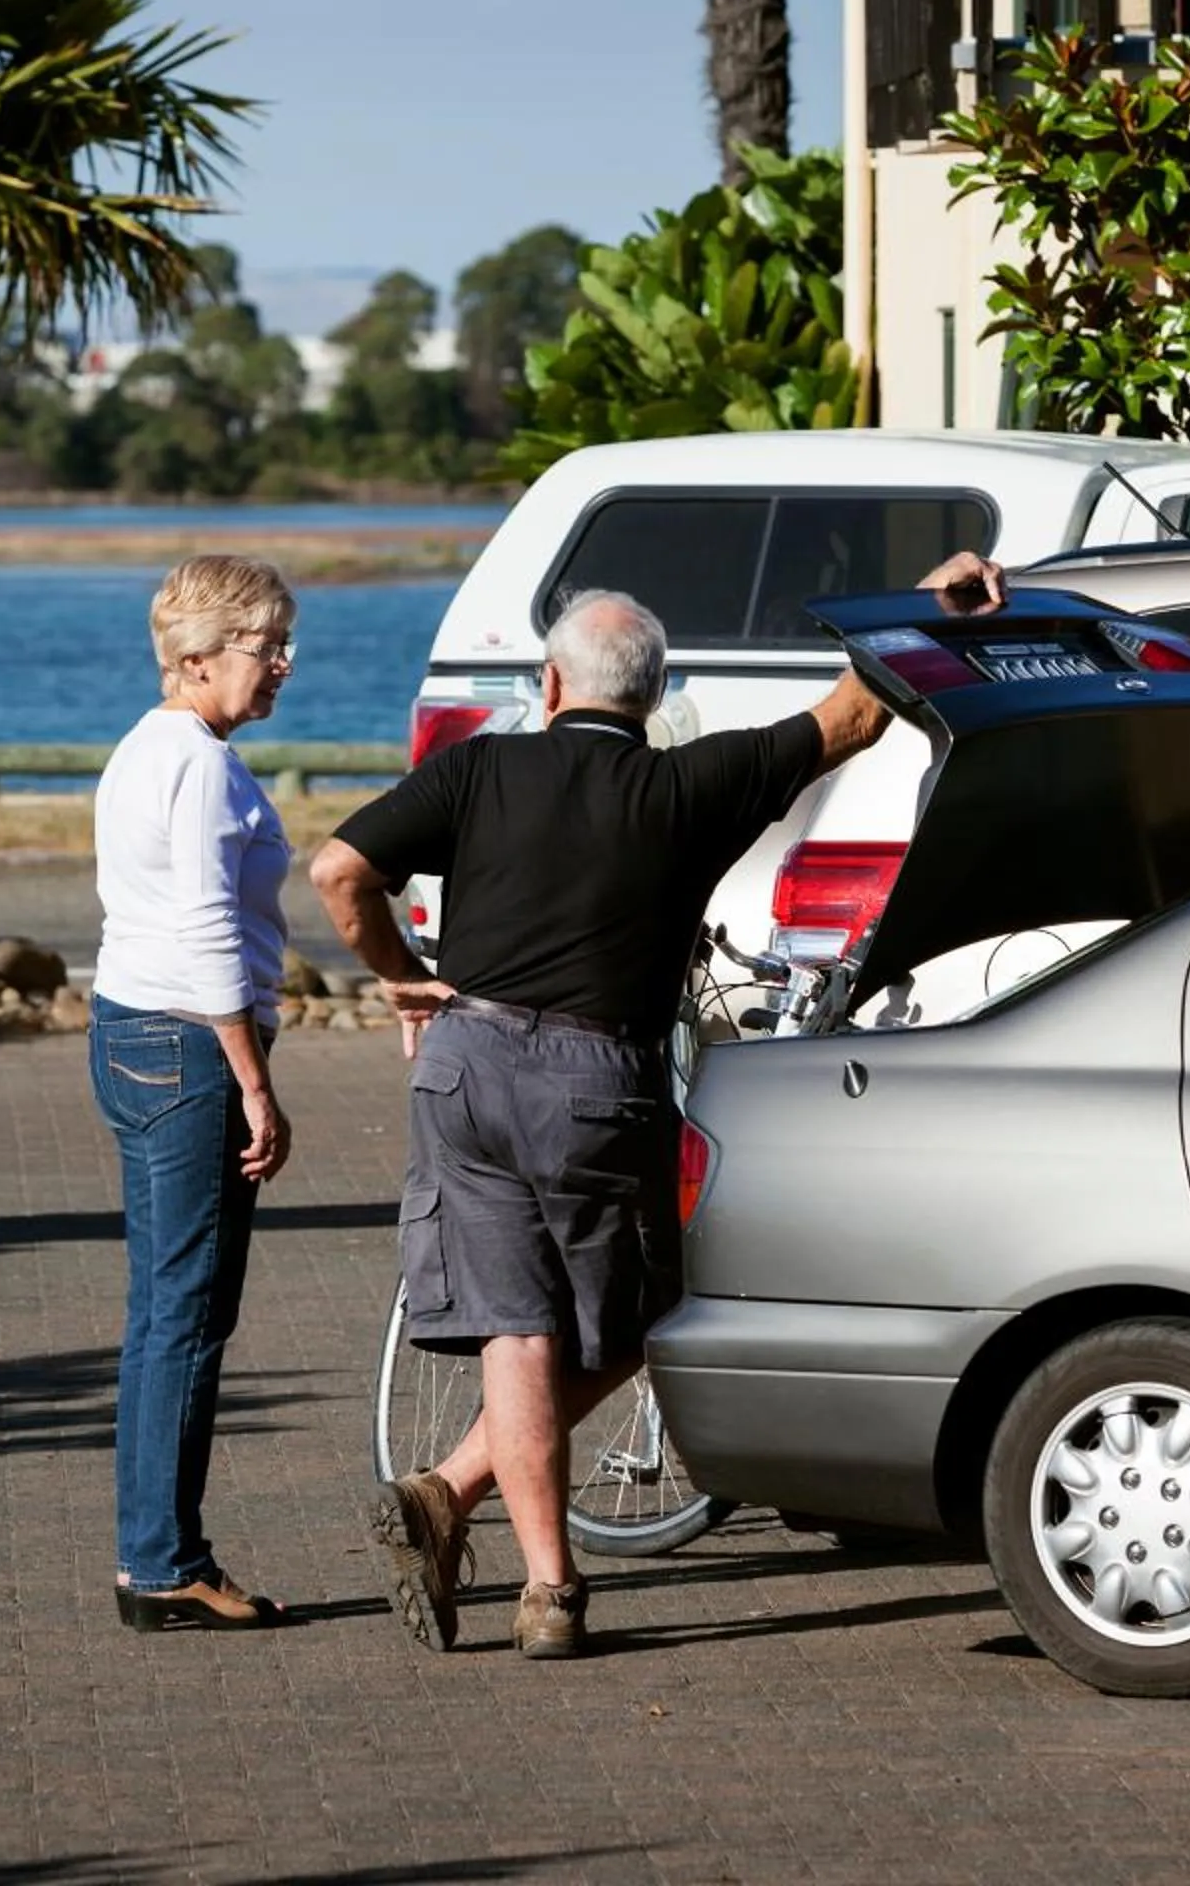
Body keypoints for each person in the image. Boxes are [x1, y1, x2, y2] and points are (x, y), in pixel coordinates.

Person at [310, 551, 1006, 1658]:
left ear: (549, 685)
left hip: (467, 1061)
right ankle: (516, 1559)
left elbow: (339, 870)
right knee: (659, 1304)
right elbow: (851, 717)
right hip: (598, 1080)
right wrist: (931, 609)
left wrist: (402, 972)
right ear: (653, 695)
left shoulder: (477, 773)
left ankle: (493, 1535)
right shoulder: (694, 784)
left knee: (516, 1326)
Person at [88, 553, 301, 1632]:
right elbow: (208, 927)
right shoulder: (202, 765)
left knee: (160, 1310)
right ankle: (165, 1559)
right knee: (187, 1313)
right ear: (196, 657)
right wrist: (253, 1080)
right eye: (266, 648)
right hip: (184, 1047)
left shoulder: (144, 748)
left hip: (131, 1031)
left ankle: (153, 1553)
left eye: (281, 646)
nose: (282, 666)